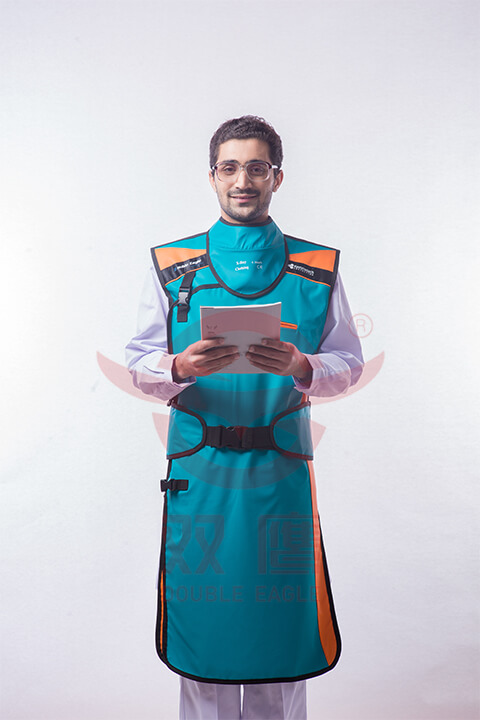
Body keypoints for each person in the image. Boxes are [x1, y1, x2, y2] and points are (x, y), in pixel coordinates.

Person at [126, 116, 363, 720]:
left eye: (257, 168)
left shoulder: (317, 268)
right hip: (199, 474)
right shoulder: (172, 266)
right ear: (212, 176)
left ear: (277, 177)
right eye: (230, 167)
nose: (243, 181)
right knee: (205, 631)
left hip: (280, 474)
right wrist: (178, 365)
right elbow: (138, 363)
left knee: (278, 634)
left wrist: (303, 364)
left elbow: (348, 364)